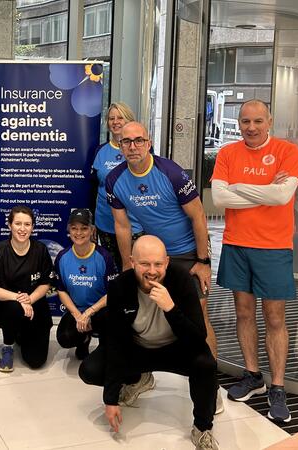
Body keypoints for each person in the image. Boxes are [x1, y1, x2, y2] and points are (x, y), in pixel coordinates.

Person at [105, 121, 219, 411]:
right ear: (119, 146)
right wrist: (127, 267)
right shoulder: (115, 179)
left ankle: (210, 385)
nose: (132, 146)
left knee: (199, 317)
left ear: (149, 143)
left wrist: (203, 261)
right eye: (126, 142)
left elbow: (199, 217)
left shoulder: (171, 173)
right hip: (151, 255)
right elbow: (121, 226)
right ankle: (142, 376)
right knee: (142, 315)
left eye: (138, 140)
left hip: (186, 253)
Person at [211, 99, 298, 423]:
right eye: (245, 121)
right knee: (243, 313)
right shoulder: (227, 153)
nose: (251, 127)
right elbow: (220, 198)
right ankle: (253, 376)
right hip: (236, 244)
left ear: (269, 121)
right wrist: (264, 189)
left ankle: (277, 387)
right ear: (239, 123)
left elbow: (282, 197)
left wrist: (239, 187)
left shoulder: (288, 151)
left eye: (258, 121)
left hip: (275, 247)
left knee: (275, 318)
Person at [78, 235, 219, 450]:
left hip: (175, 348)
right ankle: (137, 380)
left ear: (167, 262)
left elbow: (197, 338)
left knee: (206, 364)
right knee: (91, 369)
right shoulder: (120, 287)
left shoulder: (181, 281)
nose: (152, 271)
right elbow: (115, 343)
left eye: (158, 264)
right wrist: (111, 399)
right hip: (137, 349)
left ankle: (202, 428)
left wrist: (171, 308)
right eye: (144, 264)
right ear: (132, 262)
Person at [0, 206, 53, 372]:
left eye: (27, 224)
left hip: (34, 304)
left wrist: (29, 299)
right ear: (9, 225)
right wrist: (19, 299)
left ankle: (21, 333)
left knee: (36, 361)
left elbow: (45, 284)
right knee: (14, 308)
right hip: (6, 306)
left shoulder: (41, 250)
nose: (22, 229)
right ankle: (8, 346)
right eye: (18, 223)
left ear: (32, 227)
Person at [53, 208, 118, 360]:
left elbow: (113, 292)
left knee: (110, 321)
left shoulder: (103, 257)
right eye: (74, 228)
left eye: (84, 228)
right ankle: (84, 339)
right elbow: (61, 290)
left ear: (92, 230)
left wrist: (89, 312)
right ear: (69, 230)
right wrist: (78, 315)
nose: (79, 233)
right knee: (65, 337)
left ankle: (104, 346)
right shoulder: (62, 257)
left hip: (100, 311)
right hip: (77, 310)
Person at [90, 102, 141, 269]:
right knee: (111, 272)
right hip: (105, 223)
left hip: (134, 223)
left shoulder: (141, 149)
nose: (115, 121)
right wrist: (91, 221)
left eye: (120, 117)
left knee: (133, 270)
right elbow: (93, 188)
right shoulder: (100, 151)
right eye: (111, 118)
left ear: (129, 121)